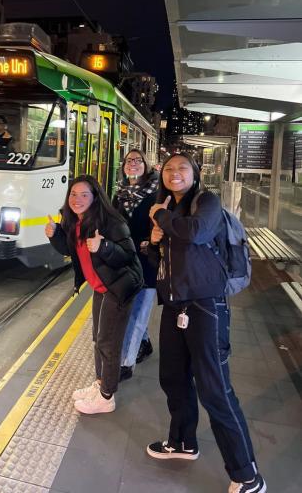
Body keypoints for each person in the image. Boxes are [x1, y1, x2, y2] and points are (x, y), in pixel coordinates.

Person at [146, 152, 266, 493]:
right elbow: (165, 262)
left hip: (206, 306)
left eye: (183, 167)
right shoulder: (170, 211)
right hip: (174, 306)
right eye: (168, 168)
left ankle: (247, 475)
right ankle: (183, 443)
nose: (175, 172)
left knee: (215, 390)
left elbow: (196, 233)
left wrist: (160, 217)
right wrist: (153, 244)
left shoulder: (206, 202)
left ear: (196, 173)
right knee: (173, 378)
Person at [45, 175, 143, 415]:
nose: (77, 199)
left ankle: (106, 397)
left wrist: (105, 248)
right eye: (73, 194)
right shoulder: (76, 222)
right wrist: (55, 234)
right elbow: (71, 250)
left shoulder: (111, 222)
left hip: (118, 287)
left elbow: (128, 256)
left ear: (95, 197)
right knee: (98, 339)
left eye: (84, 195)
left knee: (109, 343)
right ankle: (100, 385)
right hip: (100, 286)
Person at [112, 149, 158, 381]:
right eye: (129, 160)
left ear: (146, 166)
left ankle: (125, 364)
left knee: (137, 315)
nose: (133, 164)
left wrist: (152, 241)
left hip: (147, 263)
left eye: (138, 160)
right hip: (125, 264)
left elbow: (161, 227)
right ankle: (145, 344)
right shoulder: (119, 194)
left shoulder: (156, 195)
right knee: (130, 311)